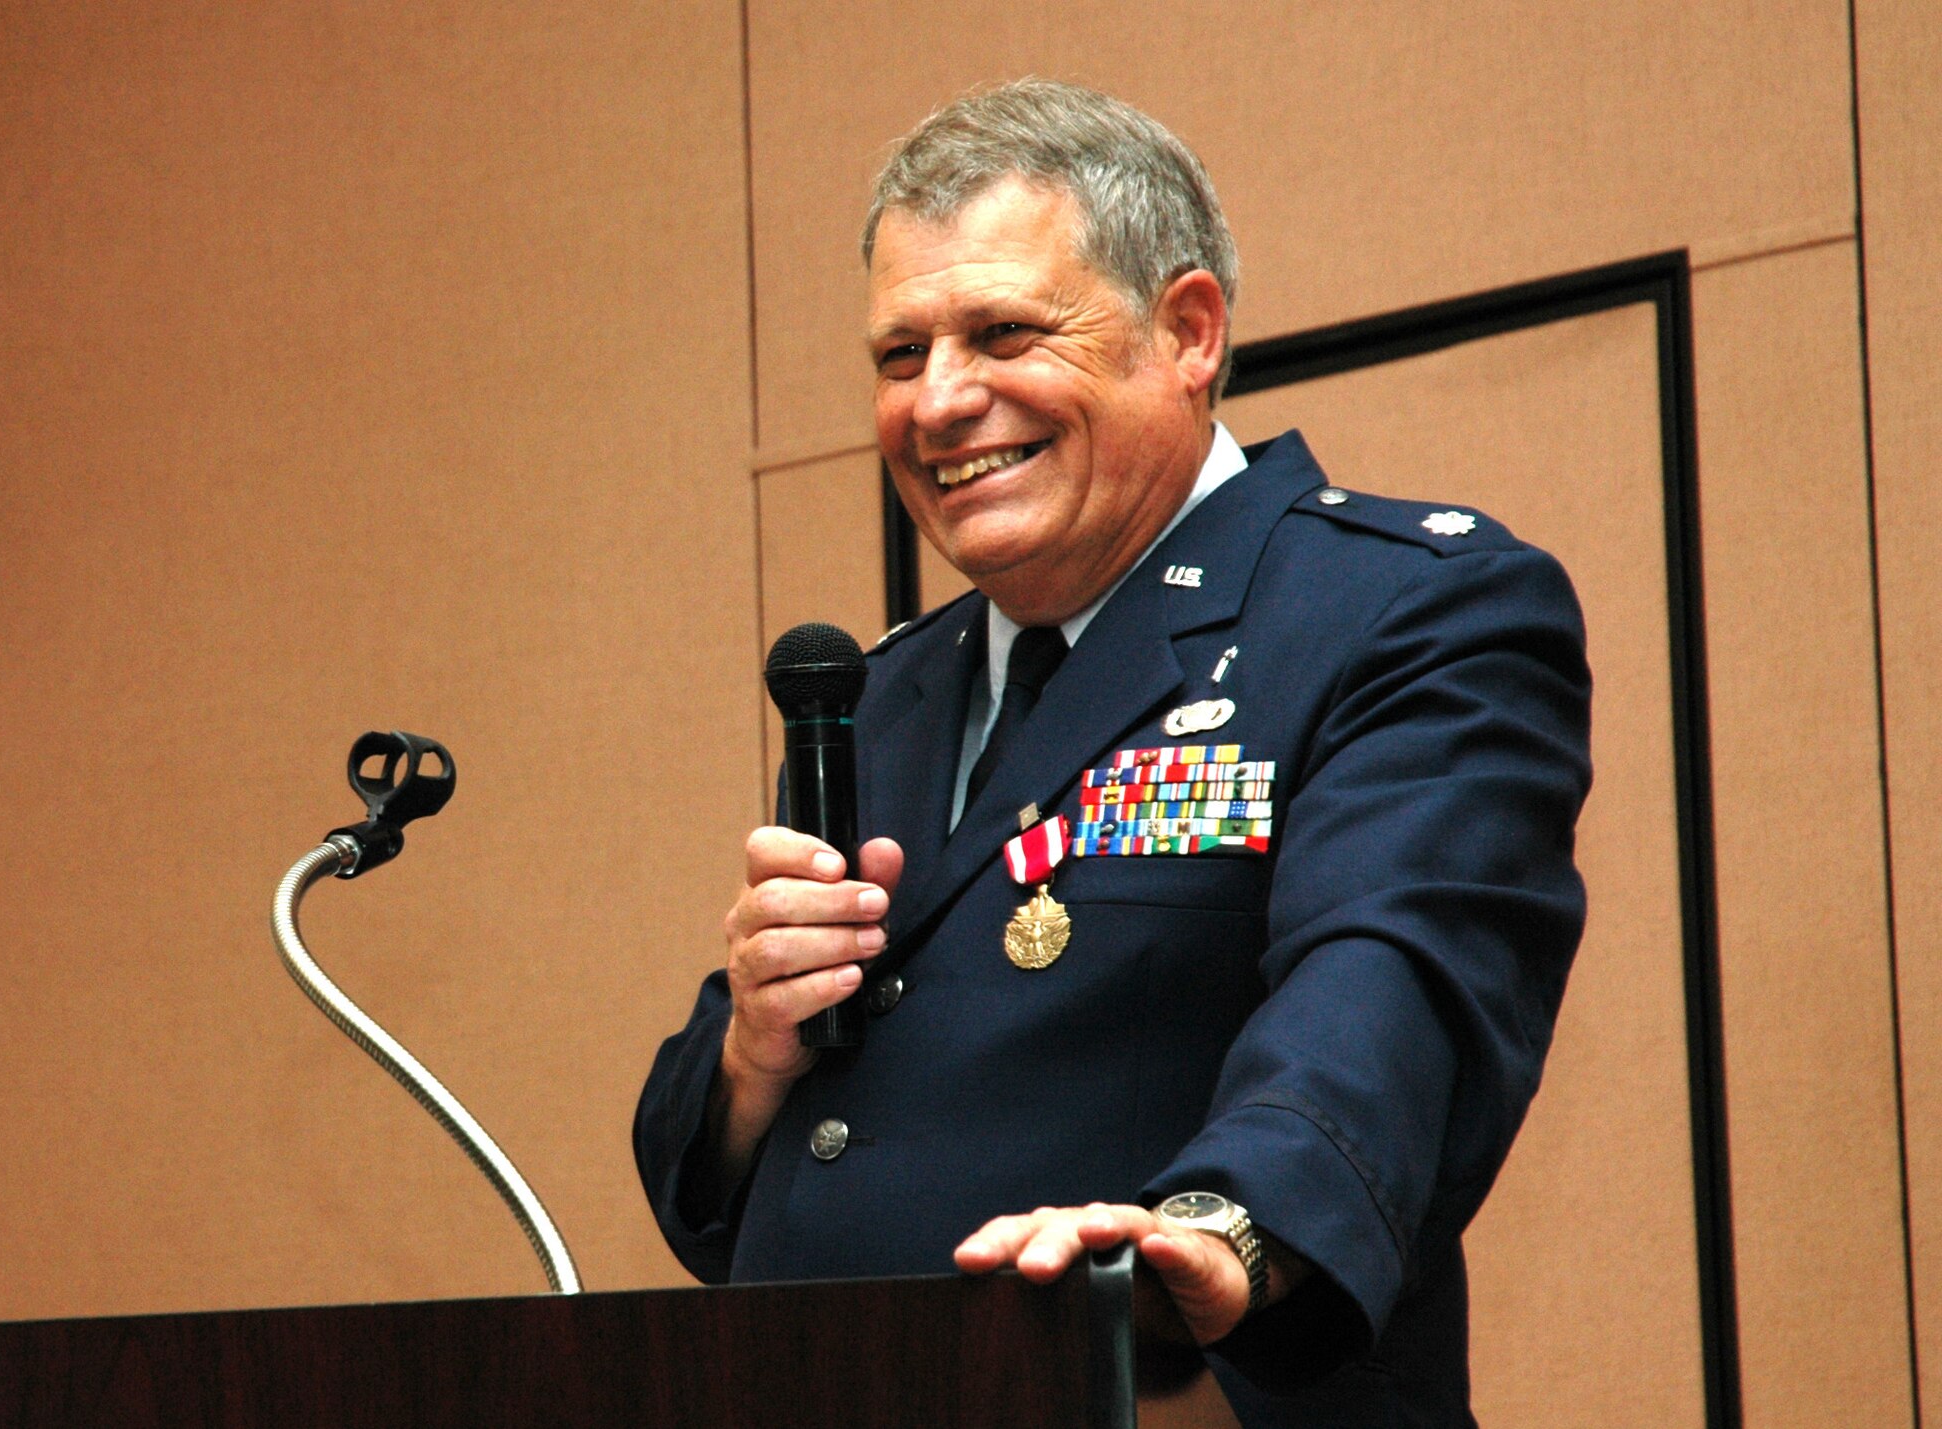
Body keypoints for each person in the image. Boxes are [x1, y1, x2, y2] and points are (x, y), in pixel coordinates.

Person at [636, 78, 1591, 1426]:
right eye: (900, 356)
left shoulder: (1399, 611)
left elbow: (1395, 984)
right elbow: (725, 1181)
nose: (938, 401)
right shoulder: (882, 693)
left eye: (1003, 333)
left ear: (1188, 331)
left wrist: (1217, 1230)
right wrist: (752, 1052)